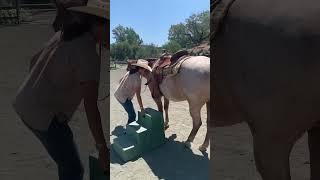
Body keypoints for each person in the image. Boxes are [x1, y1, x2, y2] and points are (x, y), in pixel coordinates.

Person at [12, 0, 109, 179]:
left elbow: (33, 61)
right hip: (44, 116)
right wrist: (102, 147)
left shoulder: (64, 33)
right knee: (73, 170)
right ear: (100, 25)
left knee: (66, 162)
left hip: (23, 101)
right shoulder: (88, 54)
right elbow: (90, 106)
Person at [114, 59, 152, 124]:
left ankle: (130, 128)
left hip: (118, 94)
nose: (145, 71)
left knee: (130, 112)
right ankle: (129, 131)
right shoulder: (137, 79)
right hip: (123, 98)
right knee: (132, 115)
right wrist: (142, 108)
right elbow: (138, 95)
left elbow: (120, 81)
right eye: (144, 69)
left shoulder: (130, 72)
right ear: (141, 69)